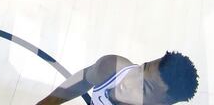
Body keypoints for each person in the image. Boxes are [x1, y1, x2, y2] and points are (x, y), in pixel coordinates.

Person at [36, 51, 198, 104]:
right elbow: (85, 79)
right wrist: (48, 102)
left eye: (143, 88)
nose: (128, 83)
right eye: (141, 69)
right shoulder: (111, 68)